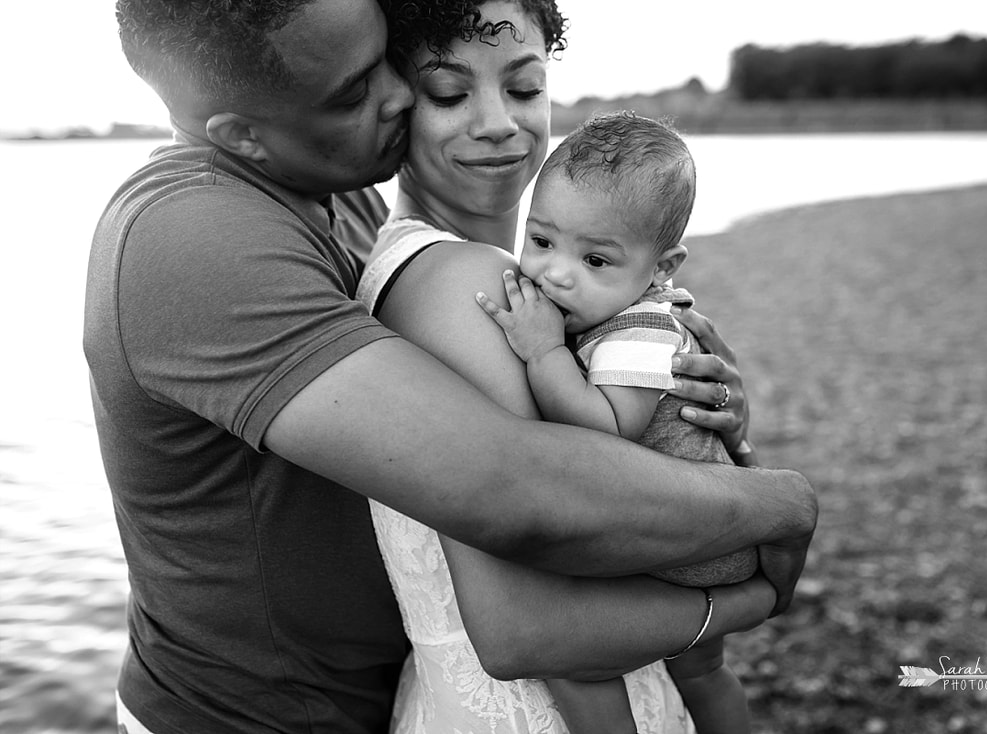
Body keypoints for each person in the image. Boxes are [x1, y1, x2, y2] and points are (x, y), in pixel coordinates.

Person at [88, 1, 815, 732]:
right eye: (434, 90)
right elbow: (517, 503)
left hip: (373, 696)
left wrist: (676, 396)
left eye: (526, 88)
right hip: (239, 719)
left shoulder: (346, 208)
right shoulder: (194, 238)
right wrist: (778, 513)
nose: (397, 98)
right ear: (242, 134)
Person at [354, 3, 812, 732]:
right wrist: (758, 584)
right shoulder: (458, 281)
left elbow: (611, 471)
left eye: (526, 88)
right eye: (449, 93)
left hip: (616, 668)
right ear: (396, 102)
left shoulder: (540, 290)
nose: (499, 121)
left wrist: (692, 415)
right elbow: (525, 624)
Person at [476, 112, 754, 733]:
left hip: (689, 546)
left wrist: (544, 352)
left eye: (596, 259)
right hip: (690, 526)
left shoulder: (642, 334)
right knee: (703, 672)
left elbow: (606, 433)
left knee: (578, 664)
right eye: (541, 241)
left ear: (662, 267)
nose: (555, 272)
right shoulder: (610, 310)